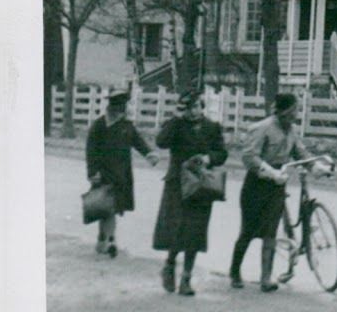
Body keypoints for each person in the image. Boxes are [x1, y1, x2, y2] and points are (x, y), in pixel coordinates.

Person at [152, 88, 227, 296]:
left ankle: (186, 278)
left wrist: (208, 158)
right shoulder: (176, 125)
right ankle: (169, 265)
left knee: (195, 231)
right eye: (188, 107)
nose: (192, 111)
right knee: (177, 228)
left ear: (202, 107)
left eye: (196, 106)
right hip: (177, 184)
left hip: (201, 185)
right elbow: (161, 142)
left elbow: (222, 153)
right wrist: (176, 118)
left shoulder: (212, 127)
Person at [230, 92, 308, 290]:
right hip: (256, 186)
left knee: (270, 232)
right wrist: (270, 172)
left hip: (277, 188)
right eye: (294, 110)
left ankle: (266, 277)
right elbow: (249, 157)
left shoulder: (292, 130)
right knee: (247, 231)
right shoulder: (262, 128)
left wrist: (317, 166)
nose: (296, 114)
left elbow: (300, 153)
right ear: (284, 111)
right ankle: (234, 271)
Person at [85, 91, 157, 258]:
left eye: (121, 107)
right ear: (109, 107)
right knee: (106, 208)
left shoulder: (126, 126)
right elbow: (91, 150)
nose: (117, 111)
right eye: (114, 106)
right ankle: (109, 240)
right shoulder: (99, 125)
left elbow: (138, 142)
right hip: (102, 174)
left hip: (121, 175)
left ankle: (104, 238)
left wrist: (149, 154)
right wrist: (92, 172)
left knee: (112, 209)